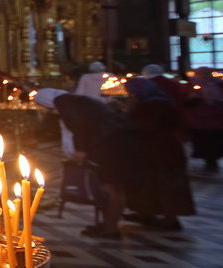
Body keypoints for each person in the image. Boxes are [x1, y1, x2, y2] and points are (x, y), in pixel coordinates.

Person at [38, 88, 142, 239]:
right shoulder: (78, 99)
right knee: (116, 187)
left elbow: (79, 126)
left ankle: (110, 229)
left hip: (109, 145)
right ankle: (109, 224)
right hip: (121, 142)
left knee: (109, 187)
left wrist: (80, 150)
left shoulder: (63, 102)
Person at [123, 77, 194, 230]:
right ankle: (146, 212)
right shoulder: (164, 102)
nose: (130, 95)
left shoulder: (150, 106)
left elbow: (142, 126)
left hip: (157, 148)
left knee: (165, 182)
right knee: (150, 181)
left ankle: (170, 219)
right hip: (163, 147)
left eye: (131, 92)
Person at [185, 67, 223, 172]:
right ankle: (210, 160)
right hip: (203, 121)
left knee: (211, 141)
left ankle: (211, 160)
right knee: (206, 141)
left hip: (210, 120)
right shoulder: (194, 85)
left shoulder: (218, 85)